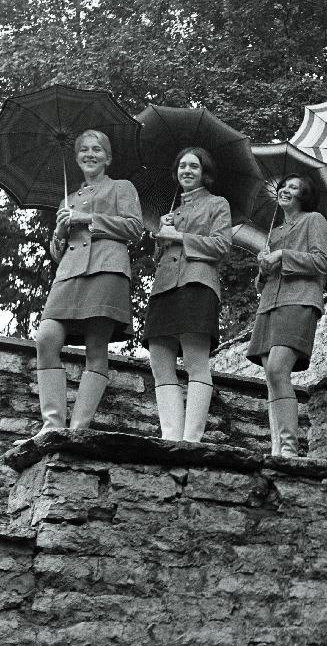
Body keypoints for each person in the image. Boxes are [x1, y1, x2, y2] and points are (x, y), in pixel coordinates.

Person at [33, 129, 144, 435]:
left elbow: (135, 228)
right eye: (84, 149)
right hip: (68, 275)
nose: (90, 154)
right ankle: (52, 425)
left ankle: (79, 427)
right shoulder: (67, 199)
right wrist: (58, 233)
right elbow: (59, 253)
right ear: (77, 156)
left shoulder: (122, 187)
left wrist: (86, 219)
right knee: (46, 338)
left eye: (97, 149)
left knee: (97, 348)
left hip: (107, 269)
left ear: (107, 158)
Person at [141, 147, 232, 442]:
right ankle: (170, 436)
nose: (187, 171)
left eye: (193, 166)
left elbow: (221, 246)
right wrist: (162, 233)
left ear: (205, 172)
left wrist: (179, 236)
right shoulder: (172, 211)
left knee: (194, 361)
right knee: (159, 360)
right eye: (182, 166)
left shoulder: (218, 204)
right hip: (164, 286)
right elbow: (161, 256)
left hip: (197, 284)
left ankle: (191, 439)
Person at [246, 174, 327, 457]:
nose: (285, 190)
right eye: (284, 186)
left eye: (294, 187)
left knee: (277, 369)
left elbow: (321, 261)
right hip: (270, 303)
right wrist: (263, 266)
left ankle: (289, 447)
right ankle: (277, 448)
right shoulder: (274, 231)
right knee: (272, 378)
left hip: (300, 300)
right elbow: (262, 283)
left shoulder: (314, 220)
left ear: (304, 195)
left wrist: (283, 255)